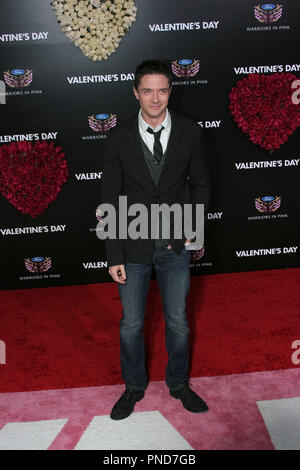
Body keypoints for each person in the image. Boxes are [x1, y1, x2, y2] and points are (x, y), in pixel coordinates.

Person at [101, 60, 211, 420]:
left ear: (170, 91)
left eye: (162, 90)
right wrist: (113, 252)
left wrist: (193, 229)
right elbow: (109, 194)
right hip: (132, 244)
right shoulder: (118, 138)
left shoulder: (190, 132)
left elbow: (200, 184)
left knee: (177, 320)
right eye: (147, 90)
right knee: (131, 322)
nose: (155, 98)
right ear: (135, 93)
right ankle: (133, 384)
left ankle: (178, 382)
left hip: (174, 243)